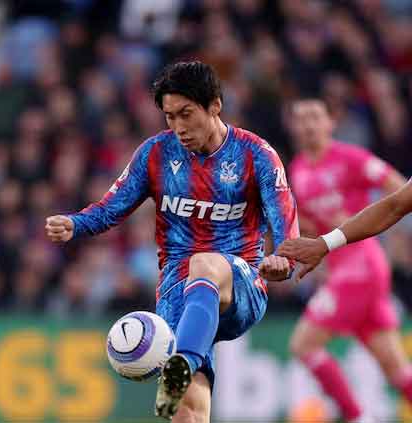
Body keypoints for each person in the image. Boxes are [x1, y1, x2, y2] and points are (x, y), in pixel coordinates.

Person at [45, 61, 299, 421]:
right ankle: (184, 369)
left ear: (215, 105)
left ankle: (182, 360)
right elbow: (110, 209)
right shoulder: (155, 154)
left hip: (240, 284)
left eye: (186, 114)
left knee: (204, 263)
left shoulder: (255, 154)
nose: (178, 127)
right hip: (178, 291)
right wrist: (75, 224)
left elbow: (286, 224)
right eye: (169, 117)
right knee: (187, 412)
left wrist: (282, 260)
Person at [281, 99, 412, 423]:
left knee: (303, 345)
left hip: (363, 265)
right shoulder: (297, 169)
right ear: (292, 127)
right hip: (342, 269)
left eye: (315, 117)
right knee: (395, 368)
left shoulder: (350, 158)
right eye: (301, 118)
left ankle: (357, 417)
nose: (309, 124)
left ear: (330, 122)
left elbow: (397, 188)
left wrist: (383, 232)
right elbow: (312, 225)